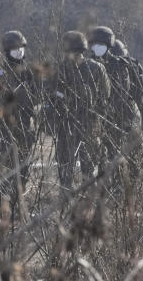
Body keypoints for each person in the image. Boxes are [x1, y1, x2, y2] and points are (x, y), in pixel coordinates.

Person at [0, 30, 40, 212]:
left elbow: (38, 94)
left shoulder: (29, 71)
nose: (19, 52)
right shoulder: (0, 70)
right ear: (7, 50)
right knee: (5, 163)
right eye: (14, 49)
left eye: (21, 49)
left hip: (25, 125)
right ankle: (3, 204)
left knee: (24, 166)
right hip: (4, 125)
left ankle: (18, 202)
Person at [52, 31, 109, 189]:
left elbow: (52, 95)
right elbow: (105, 96)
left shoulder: (61, 69)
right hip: (81, 124)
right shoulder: (97, 68)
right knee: (84, 169)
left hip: (73, 124)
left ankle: (72, 203)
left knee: (70, 170)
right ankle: (84, 203)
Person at [89, 26, 140, 177]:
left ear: (109, 45)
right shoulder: (88, 65)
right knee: (99, 162)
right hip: (95, 121)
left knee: (117, 158)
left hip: (117, 120)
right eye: (94, 44)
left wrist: (108, 113)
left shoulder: (119, 66)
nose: (97, 48)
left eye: (101, 45)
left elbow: (121, 94)